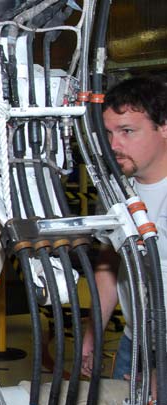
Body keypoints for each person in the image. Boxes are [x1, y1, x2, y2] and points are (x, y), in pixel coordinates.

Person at [81, 77, 167, 382]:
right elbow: (109, 264)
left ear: (164, 126)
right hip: (135, 345)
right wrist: (93, 334)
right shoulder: (115, 191)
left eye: (127, 132)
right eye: (108, 133)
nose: (113, 146)